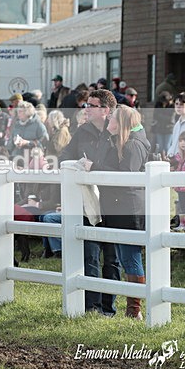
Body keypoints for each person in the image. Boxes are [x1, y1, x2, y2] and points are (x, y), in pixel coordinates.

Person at [57, 89, 121, 316]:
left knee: (112, 259)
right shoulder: (82, 131)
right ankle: (91, 306)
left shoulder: (117, 132)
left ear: (105, 110)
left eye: (91, 105)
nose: (86, 109)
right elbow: (64, 156)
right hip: (88, 203)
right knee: (90, 256)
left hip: (114, 203)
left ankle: (109, 308)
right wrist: (75, 165)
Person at [86, 104, 150, 319]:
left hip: (129, 208)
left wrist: (94, 168)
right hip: (119, 207)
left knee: (131, 258)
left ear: (120, 123)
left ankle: (134, 310)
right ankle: (133, 309)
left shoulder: (133, 145)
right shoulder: (118, 141)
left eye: (111, 119)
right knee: (125, 258)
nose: (107, 122)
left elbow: (126, 179)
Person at [165, 91, 185, 157]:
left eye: (181, 104)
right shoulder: (177, 124)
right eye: (176, 104)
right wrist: (169, 154)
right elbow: (174, 143)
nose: (178, 107)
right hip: (175, 158)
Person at [151, 91, 175, 157]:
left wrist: (160, 115)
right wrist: (164, 116)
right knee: (160, 147)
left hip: (169, 128)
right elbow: (155, 115)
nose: (164, 102)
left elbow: (170, 118)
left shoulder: (172, 105)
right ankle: (162, 159)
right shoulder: (158, 104)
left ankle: (168, 159)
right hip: (159, 128)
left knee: (167, 146)